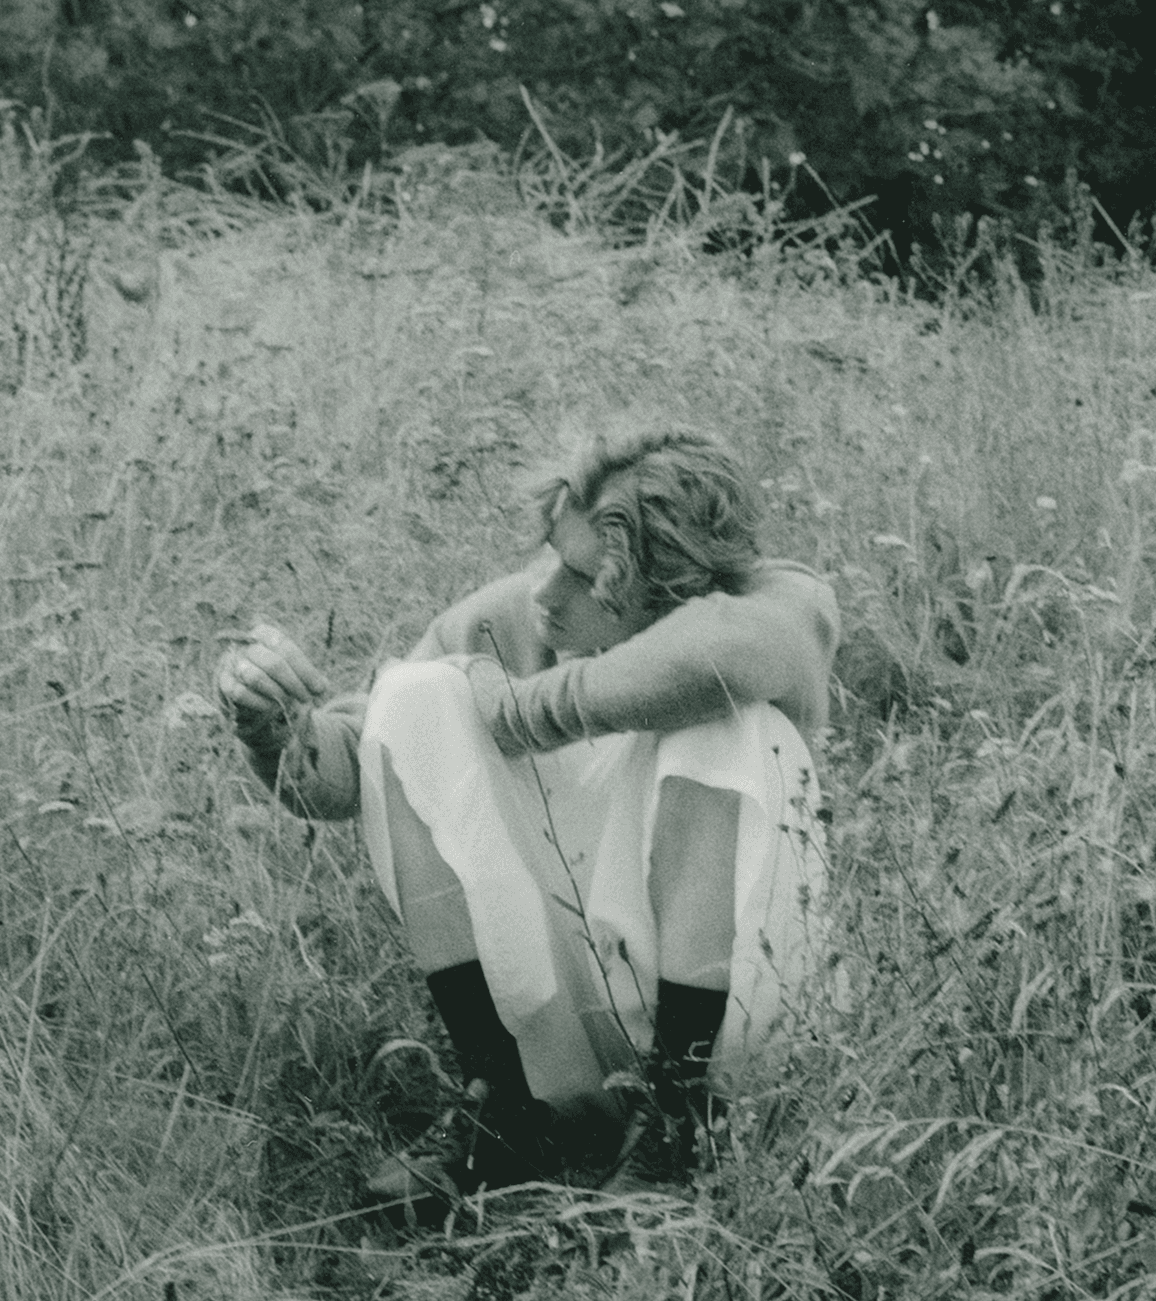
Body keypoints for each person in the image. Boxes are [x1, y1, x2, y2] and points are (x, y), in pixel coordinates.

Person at [212, 426, 835, 1196]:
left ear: (669, 591)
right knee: (416, 693)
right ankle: (501, 1101)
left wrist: (512, 712)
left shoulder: (775, 605)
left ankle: (677, 1120)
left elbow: (725, 654)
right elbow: (365, 760)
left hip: (737, 1031)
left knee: (727, 720)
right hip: (583, 1019)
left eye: (582, 576)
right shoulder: (521, 614)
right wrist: (273, 729)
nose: (544, 592)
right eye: (549, 553)